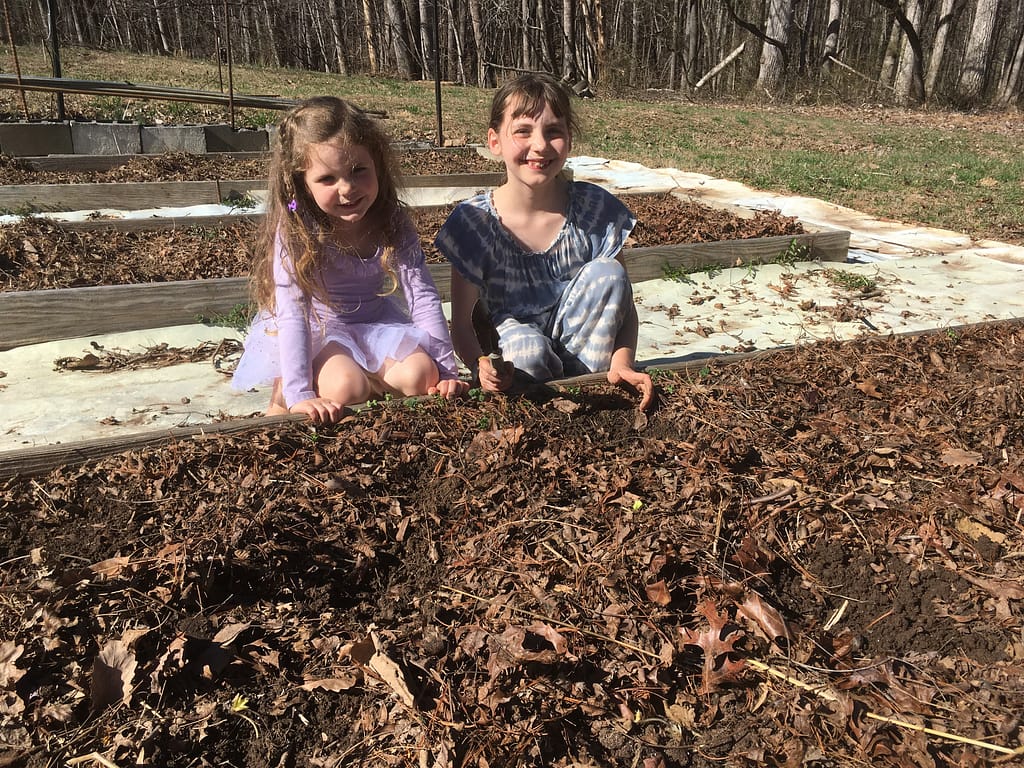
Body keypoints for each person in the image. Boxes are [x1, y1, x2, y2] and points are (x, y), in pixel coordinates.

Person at [232, 96, 468, 424]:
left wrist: (446, 371)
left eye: (359, 171)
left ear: (378, 165)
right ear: (300, 181)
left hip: (375, 323)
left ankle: (373, 380)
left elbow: (423, 297)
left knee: (421, 377)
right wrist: (300, 394)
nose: (348, 189)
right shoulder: (298, 227)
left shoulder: (391, 218)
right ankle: (285, 385)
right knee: (346, 388)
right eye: (328, 179)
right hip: (320, 329)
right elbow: (293, 311)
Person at [434, 73, 654, 411]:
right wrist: (480, 365)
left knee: (609, 272)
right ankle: (540, 402)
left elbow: (623, 308)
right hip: (516, 356)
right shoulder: (474, 224)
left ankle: (583, 396)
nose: (540, 145)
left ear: (569, 138)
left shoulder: (594, 211)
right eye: (523, 130)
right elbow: (461, 324)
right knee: (528, 351)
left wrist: (623, 362)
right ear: (495, 142)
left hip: (584, 359)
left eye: (553, 131)